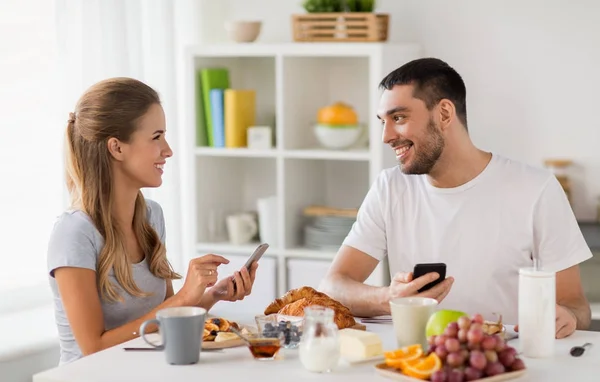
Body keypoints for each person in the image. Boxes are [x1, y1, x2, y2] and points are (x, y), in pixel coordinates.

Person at [319, 58, 592, 339]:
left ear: (445, 114)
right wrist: (388, 298)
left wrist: (568, 317)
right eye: (383, 122)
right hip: (416, 362)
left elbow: (577, 307)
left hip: (502, 363)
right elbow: (333, 285)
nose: (386, 136)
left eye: (398, 118)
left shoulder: (536, 188)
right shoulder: (390, 188)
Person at [47, 77, 259, 365]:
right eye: (156, 137)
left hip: (142, 371)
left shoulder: (150, 216)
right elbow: (94, 348)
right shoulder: (75, 233)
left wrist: (212, 294)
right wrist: (183, 297)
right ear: (117, 148)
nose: (168, 150)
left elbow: (164, 319)